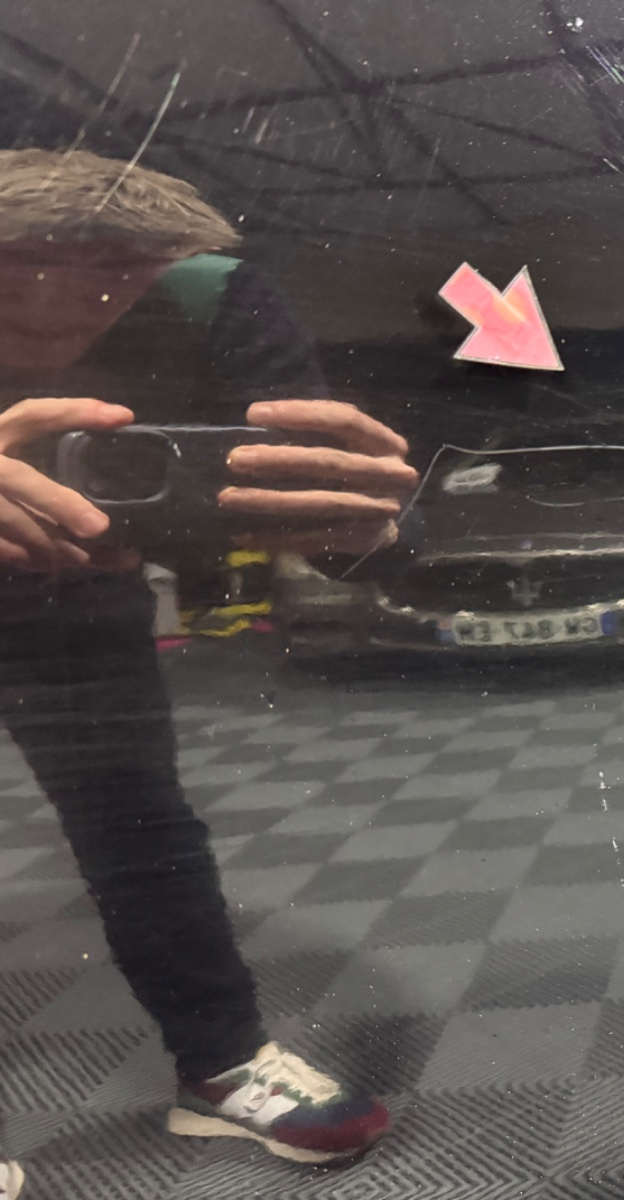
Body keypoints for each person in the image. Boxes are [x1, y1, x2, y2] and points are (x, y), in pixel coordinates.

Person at [0, 148, 419, 1193]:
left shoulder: (212, 292)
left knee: (140, 830)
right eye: (27, 265)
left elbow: (311, 495)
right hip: (77, 595)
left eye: (120, 270)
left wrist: (364, 529)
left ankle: (221, 1064)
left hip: (72, 596)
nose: (79, 299)